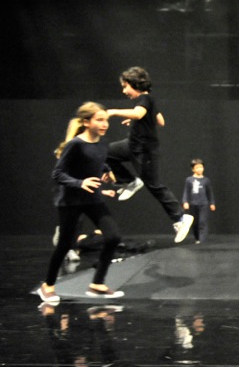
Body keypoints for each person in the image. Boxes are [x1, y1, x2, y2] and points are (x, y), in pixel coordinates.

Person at [36, 102, 124, 304]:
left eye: (106, 120)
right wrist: (80, 183)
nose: (104, 124)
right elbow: (58, 174)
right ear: (86, 122)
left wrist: (107, 170)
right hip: (71, 200)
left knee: (113, 237)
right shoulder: (75, 144)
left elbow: (96, 160)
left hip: (92, 198)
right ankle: (47, 286)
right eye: (99, 120)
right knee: (65, 244)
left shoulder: (102, 143)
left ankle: (97, 284)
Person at [105, 66, 195, 243]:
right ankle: (129, 181)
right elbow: (160, 121)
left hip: (144, 150)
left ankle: (181, 218)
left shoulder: (145, 98)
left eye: (125, 86)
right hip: (132, 145)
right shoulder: (147, 100)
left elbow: (139, 114)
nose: (124, 91)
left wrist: (114, 112)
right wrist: (137, 120)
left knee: (154, 185)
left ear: (135, 84)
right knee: (106, 152)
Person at [181, 158, 216, 244]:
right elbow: (186, 192)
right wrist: (185, 201)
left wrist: (212, 203)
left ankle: (202, 240)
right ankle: (197, 238)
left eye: (201, 167)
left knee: (202, 222)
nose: (199, 169)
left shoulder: (206, 180)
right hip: (193, 204)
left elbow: (209, 192)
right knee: (195, 222)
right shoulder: (189, 180)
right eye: (197, 167)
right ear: (193, 169)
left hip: (203, 204)